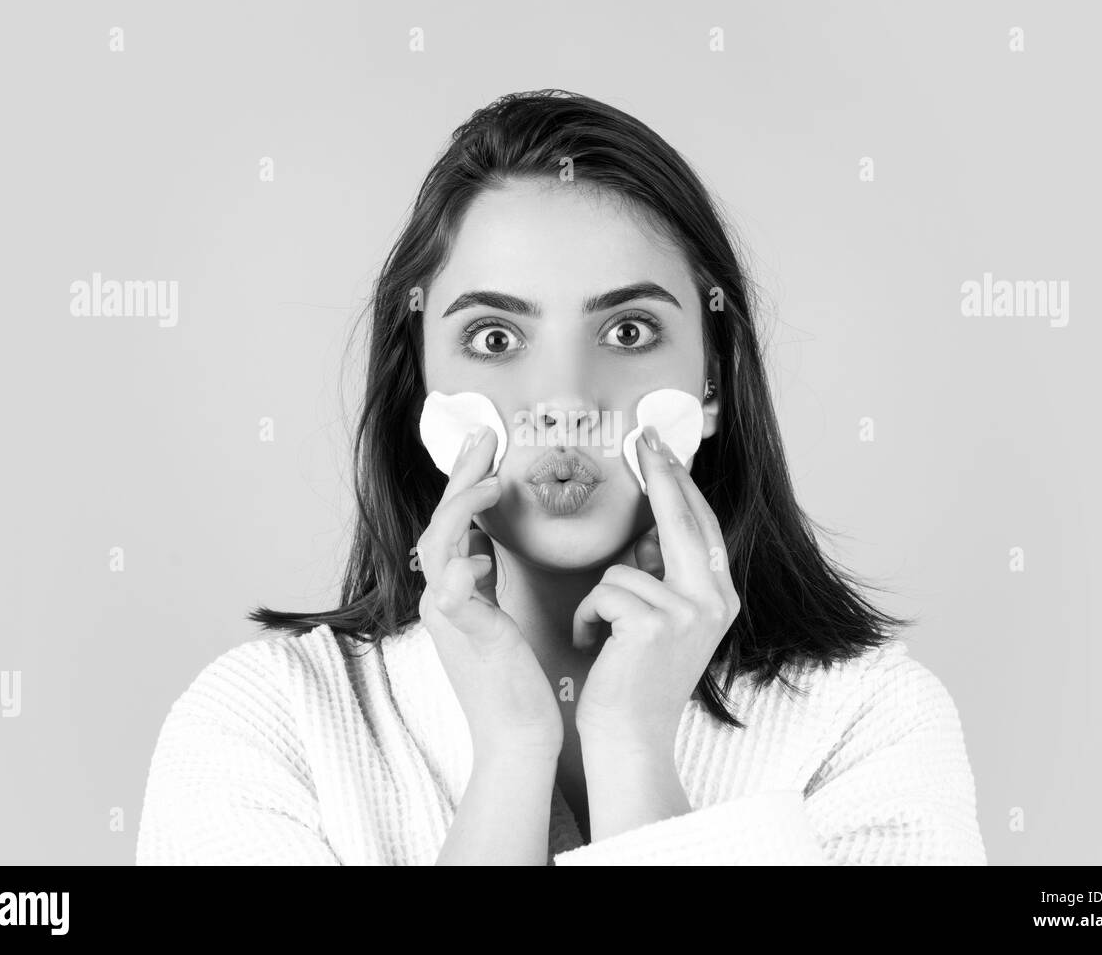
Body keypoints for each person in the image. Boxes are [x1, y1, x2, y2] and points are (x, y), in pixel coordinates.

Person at [135, 89, 986, 866]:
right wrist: (509, 756)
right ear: (422, 388)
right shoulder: (263, 722)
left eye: (627, 332)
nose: (566, 404)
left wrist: (632, 746)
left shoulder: (871, 722)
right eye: (497, 339)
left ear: (713, 383)